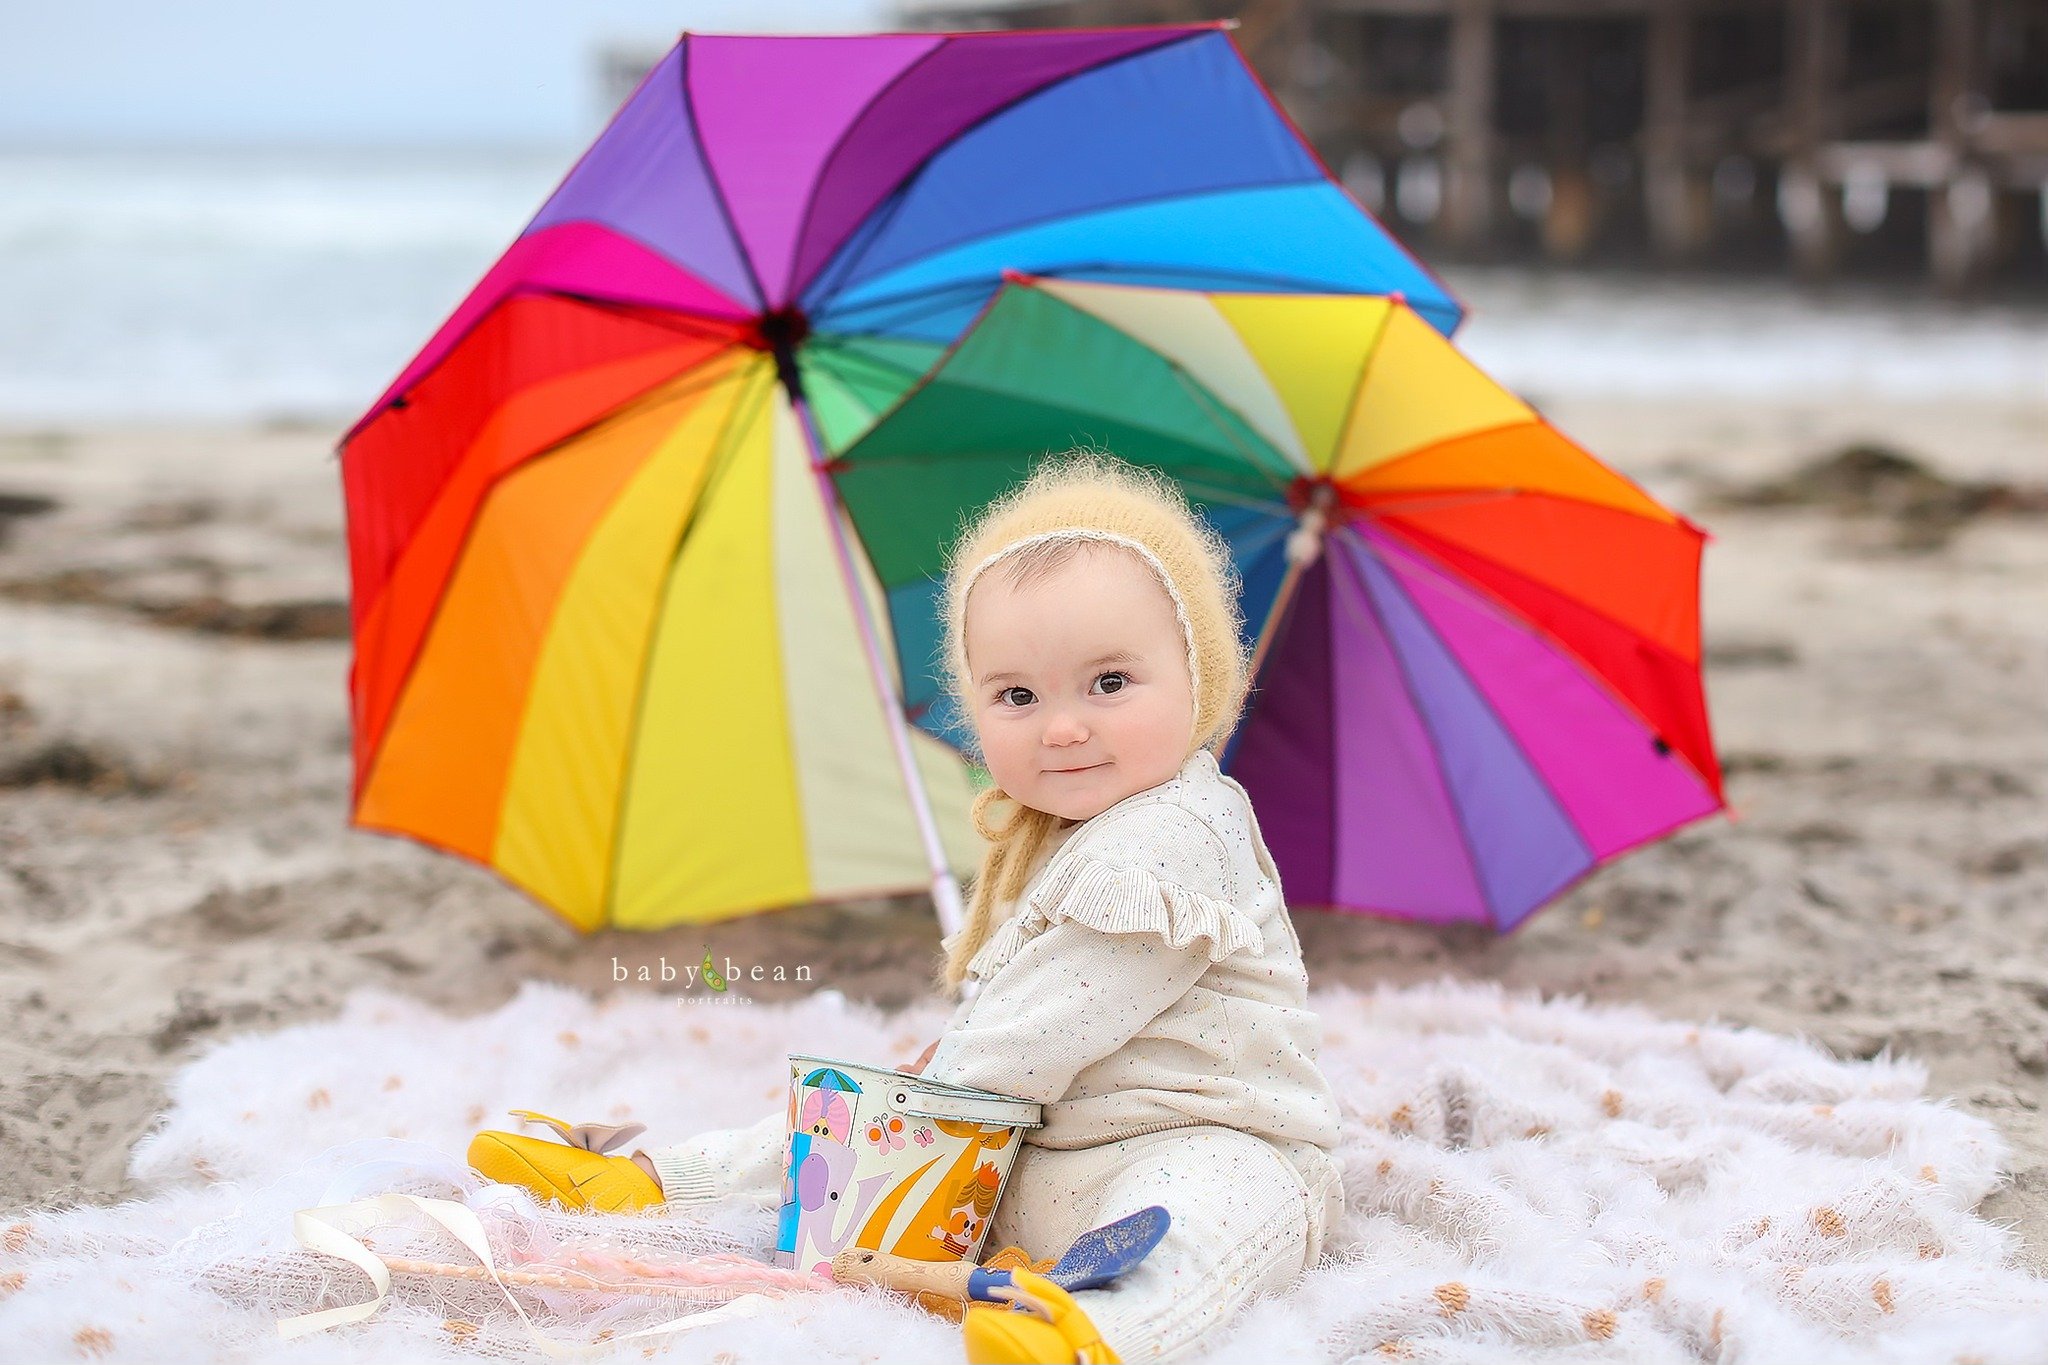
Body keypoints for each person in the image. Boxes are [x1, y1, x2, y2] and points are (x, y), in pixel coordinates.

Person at [468, 452, 1345, 1363]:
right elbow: (998, 1058)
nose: (1063, 726)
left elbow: (1034, 1033)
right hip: (1042, 1139)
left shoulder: (1178, 830)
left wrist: (935, 1085)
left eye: (1110, 683)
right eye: (1017, 695)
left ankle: (1090, 1324)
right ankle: (664, 1185)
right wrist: (918, 1092)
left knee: (1198, 1209)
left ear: (1199, 676)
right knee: (865, 1127)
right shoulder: (1056, 836)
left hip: (1204, 1138)